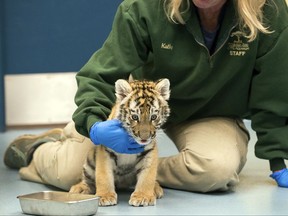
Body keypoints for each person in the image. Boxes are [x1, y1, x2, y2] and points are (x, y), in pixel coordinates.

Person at [4, 0, 288, 192]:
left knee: (216, 170)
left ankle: (132, 173)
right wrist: (92, 124)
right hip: (138, 113)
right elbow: (100, 74)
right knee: (70, 174)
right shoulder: (144, 7)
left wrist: (278, 160)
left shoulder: (270, 11)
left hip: (210, 114)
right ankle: (37, 149)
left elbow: (272, 93)